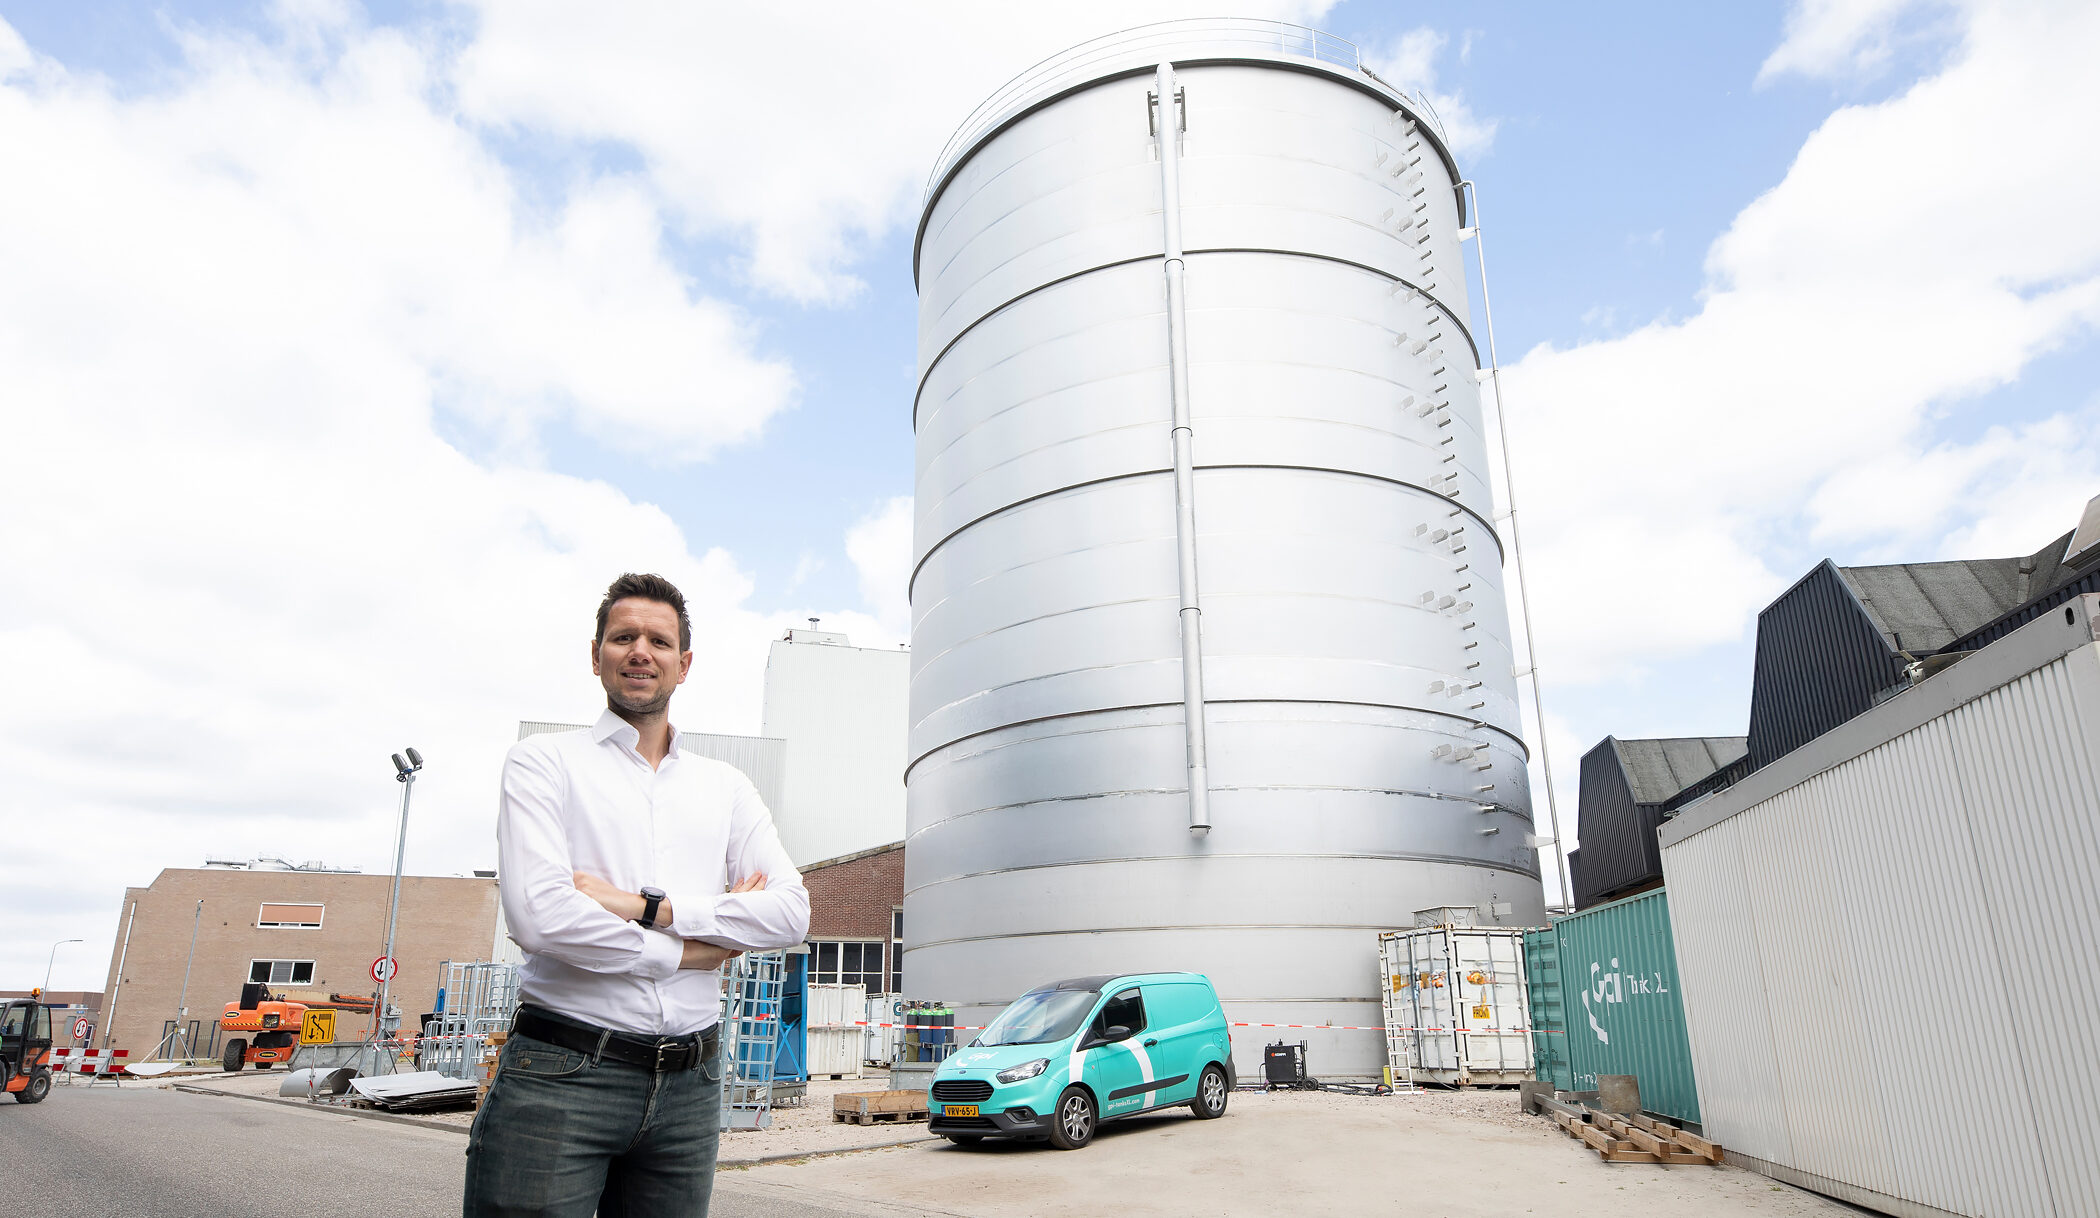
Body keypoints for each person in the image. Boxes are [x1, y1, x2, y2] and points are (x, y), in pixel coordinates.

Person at [465, 572, 810, 1217]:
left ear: (684, 664)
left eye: (659, 640)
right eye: (623, 637)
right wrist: (689, 951)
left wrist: (648, 908)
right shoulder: (543, 763)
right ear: (596, 655)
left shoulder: (725, 787)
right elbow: (541, 917)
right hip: (564, 1073)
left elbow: (791, 912)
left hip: (691, 1087)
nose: (640, 652)